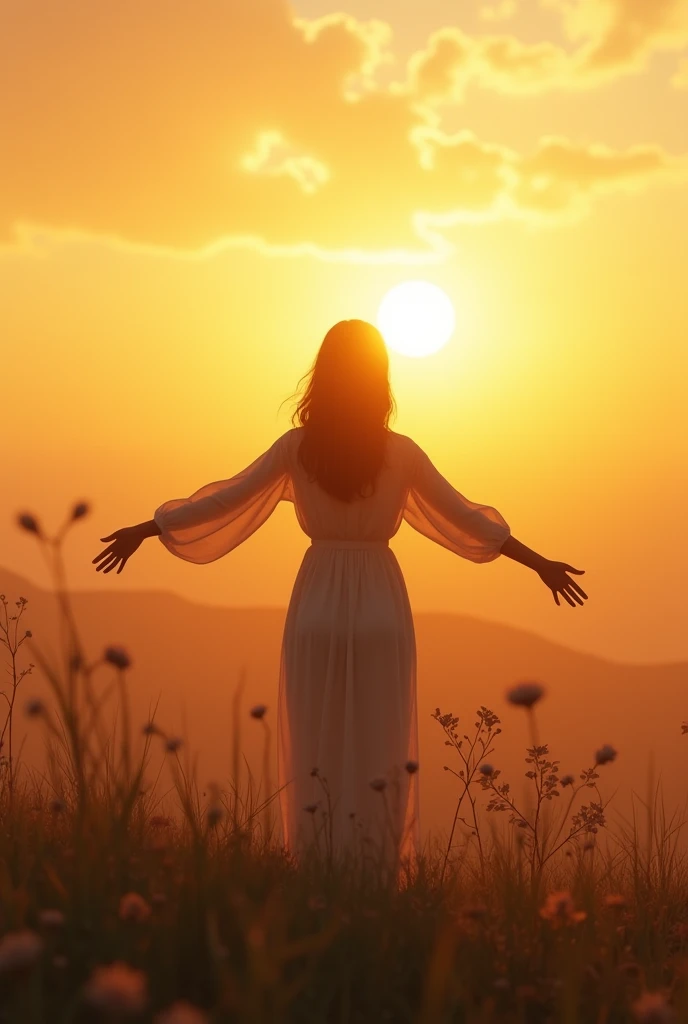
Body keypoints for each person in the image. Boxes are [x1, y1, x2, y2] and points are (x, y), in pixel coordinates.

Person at [92, 319, 587, 880]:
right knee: (380, 746)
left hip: (317, 602)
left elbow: (225, 499)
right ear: (380, 378)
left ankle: (316, 871)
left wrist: (146, 529)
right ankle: (374, 877)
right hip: (380, 601)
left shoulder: (296, 448)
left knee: (316, 745)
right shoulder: (401, 454)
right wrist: (539, 563)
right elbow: (468, 520)